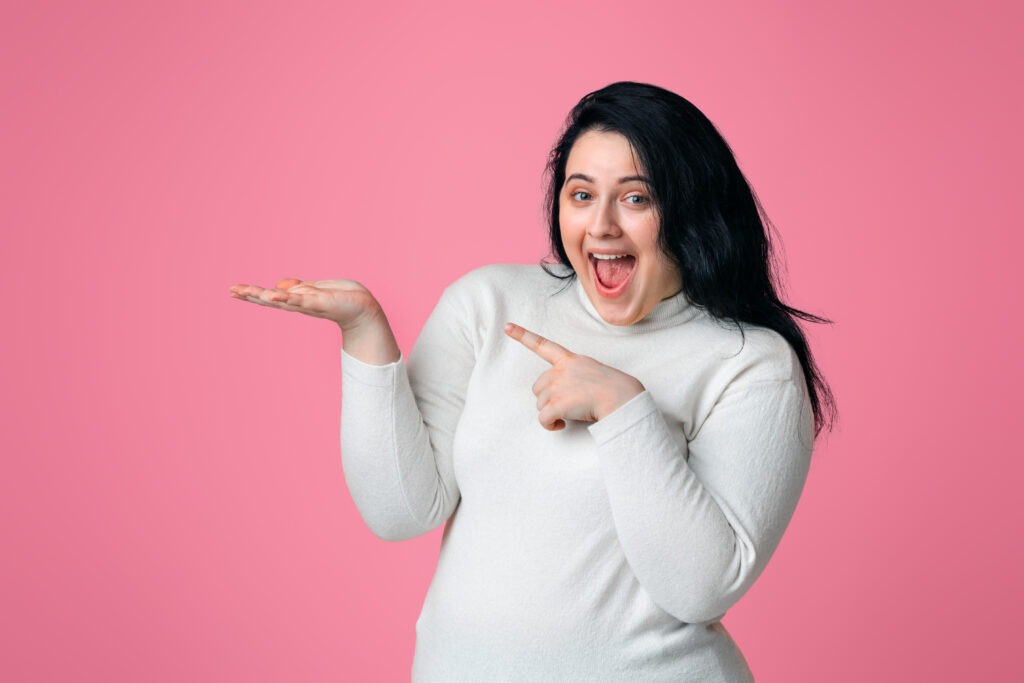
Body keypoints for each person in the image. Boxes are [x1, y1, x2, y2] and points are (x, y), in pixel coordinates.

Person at [229, 81, 836, 682]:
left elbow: (700, 590)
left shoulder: (750, 363)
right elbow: (402, 511)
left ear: (692, 210)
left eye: (636, 199)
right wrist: (364, 335)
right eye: (580, 194)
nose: (601, 226)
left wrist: (625, 411)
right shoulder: (490, 303)